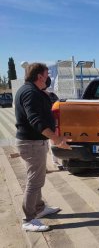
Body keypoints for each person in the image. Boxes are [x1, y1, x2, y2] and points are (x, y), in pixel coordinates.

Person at [15, 63, 71, 232]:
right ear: (40, 76)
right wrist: (56, 138)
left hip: (35, 142)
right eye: (47, 75)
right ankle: (28, 218)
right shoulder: (30, 93)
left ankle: (39, 208)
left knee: (37, 178)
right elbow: (35, 120)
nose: (48, 78)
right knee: (34, 181)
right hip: (31, 143)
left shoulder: (32, 91)